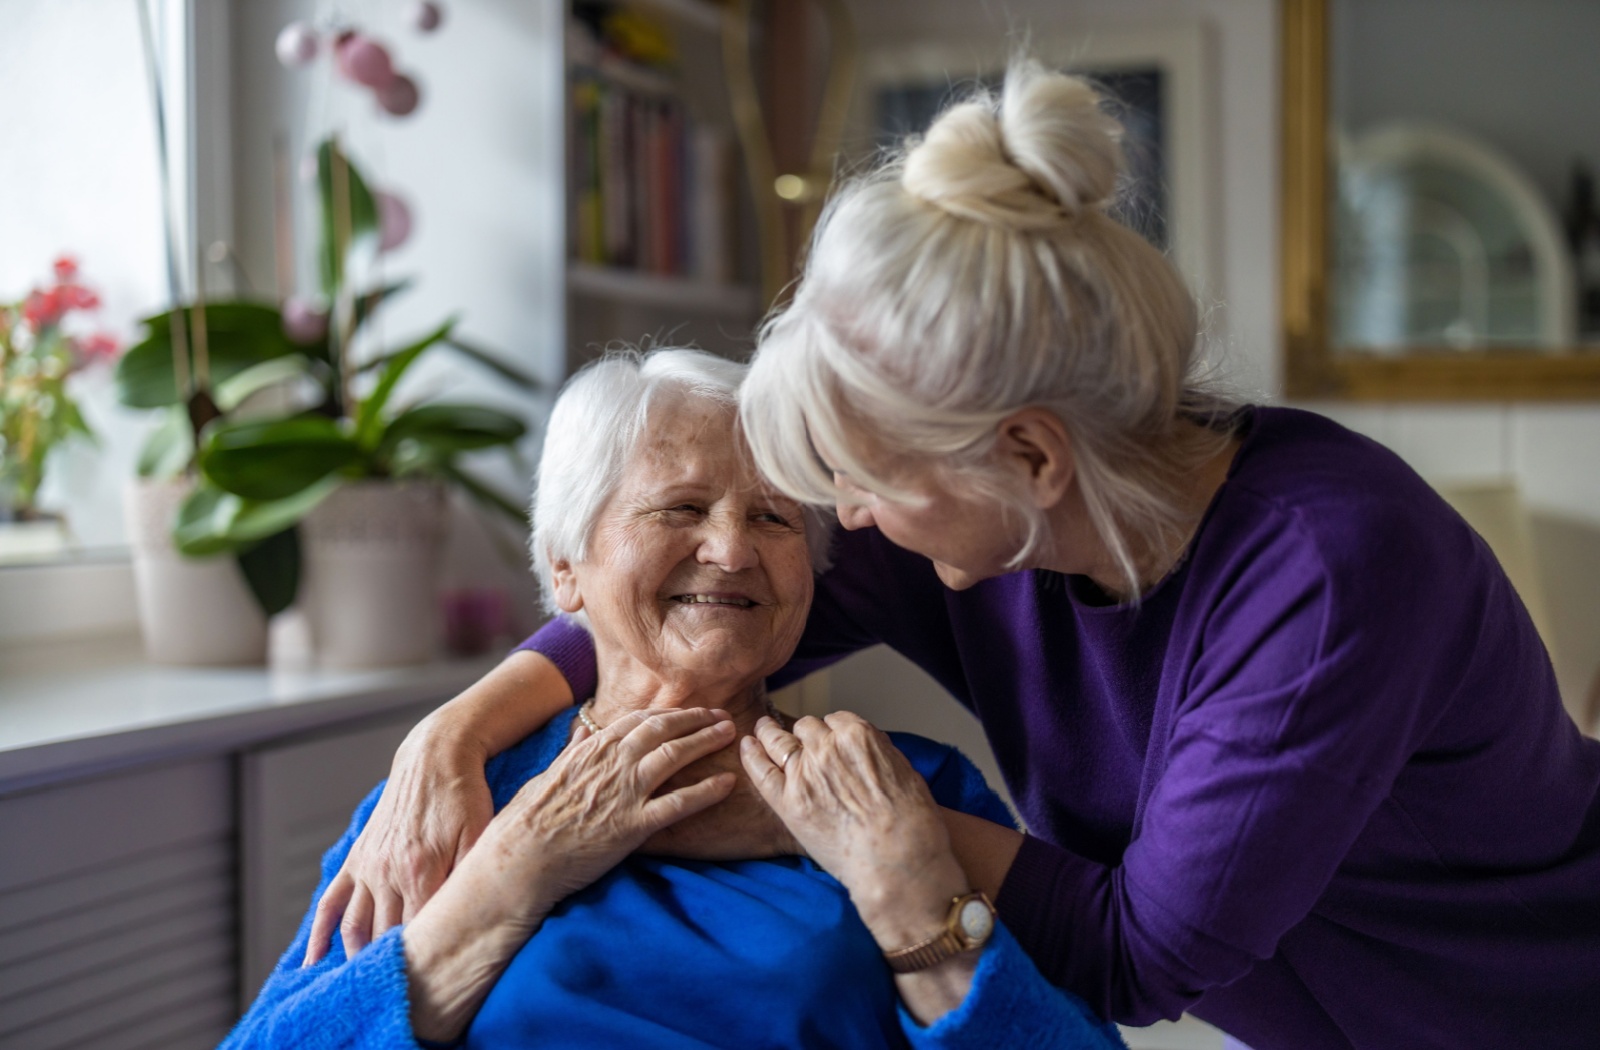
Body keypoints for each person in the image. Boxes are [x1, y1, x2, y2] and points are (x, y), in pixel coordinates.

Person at [314, 65, 1600, 1048]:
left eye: (855, 485)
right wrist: (455, 733)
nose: (835, 527)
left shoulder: (1324, 577)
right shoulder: (972, 534)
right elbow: (698, 603)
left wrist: (858, 846)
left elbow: (1136, 952)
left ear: (1030, 460)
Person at [228, 349, 1125, 1049]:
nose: (733, 550)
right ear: (565, 570)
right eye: (680, 508)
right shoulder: (456, 798)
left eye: (774, 518)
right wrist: (510, 877)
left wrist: (909, 896)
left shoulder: (896, 789)